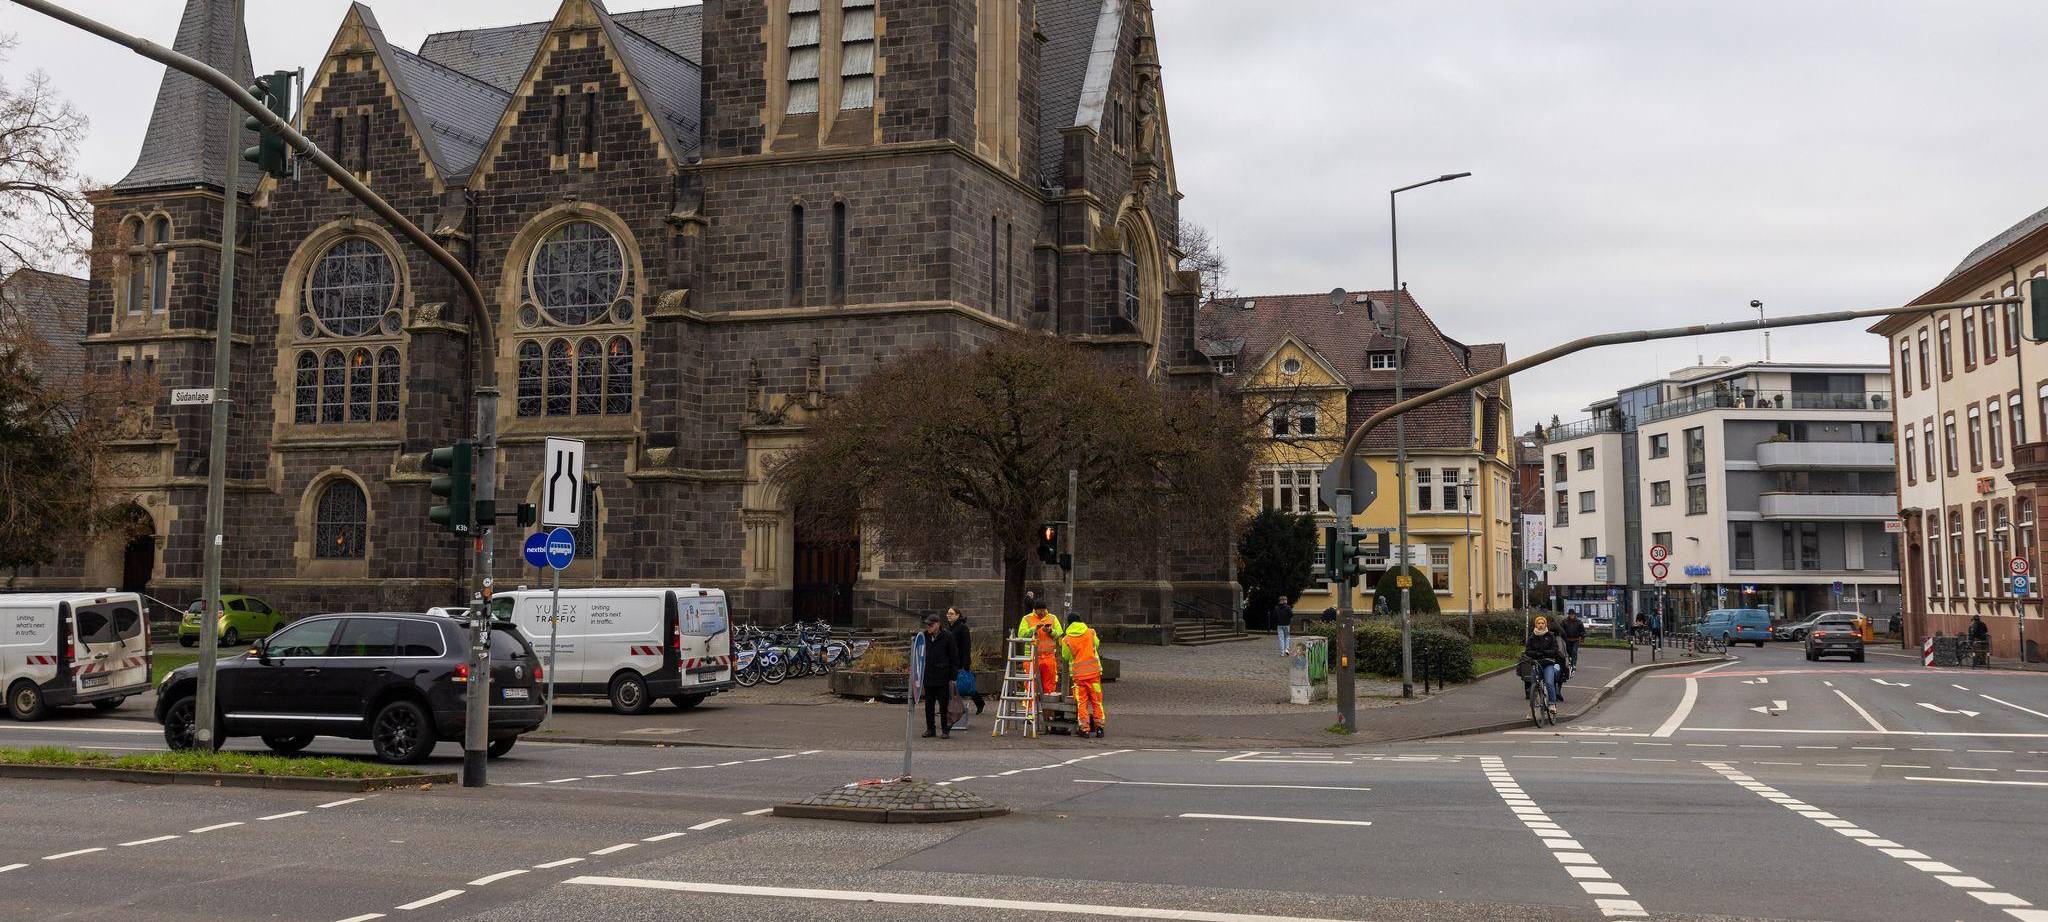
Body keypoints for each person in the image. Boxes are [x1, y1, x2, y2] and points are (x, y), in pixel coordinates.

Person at [918, 614, 959, 739]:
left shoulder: (947, 637)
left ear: (938, 624)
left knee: (943, 704)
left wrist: (953, 677)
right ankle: (930, 729)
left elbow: (953, 657)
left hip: (943, 676)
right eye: (927, 625)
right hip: (929, 675)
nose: (929, 627)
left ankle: (945, 730)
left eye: (931, 625)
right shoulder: (924, 636)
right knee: (928, 704)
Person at [1063, 620, 1105, 738]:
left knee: (1082, 702)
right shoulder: (1091, 633)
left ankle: (1084, 729)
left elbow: (1065, 656)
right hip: (1094, 675)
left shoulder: (1066, 639)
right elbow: (1096, 645)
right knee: (1097, 701)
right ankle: (1100, 728)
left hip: (1079, 677)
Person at [1017, 603, 1065, 701]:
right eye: (1040, 611)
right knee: (1030, 686)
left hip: (1049, 656)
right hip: (1032, 657)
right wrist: (1035, 628)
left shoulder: (1052, 618)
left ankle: (1048, 714)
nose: (1043, 613)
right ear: (1035, 610)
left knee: (1050, 686)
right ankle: (1030, 711)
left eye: (1044, 610)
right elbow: (1021, 635)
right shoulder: (1027, 618)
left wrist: (1050, 631)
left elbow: (1059, 634)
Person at [945, 607, 984, 715]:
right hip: (951, 661)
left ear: (958, 615)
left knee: (965, 684)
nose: (949, 615)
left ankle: (979, 702)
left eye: (951, 613)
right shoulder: (949, 628)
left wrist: (966, 663)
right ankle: (950, 707)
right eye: (948, 613)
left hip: (960, 661)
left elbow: (966, 647)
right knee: (953, 684)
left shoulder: (962, 628)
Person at [1523, 616, 1569, 706]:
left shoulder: (1550, 636)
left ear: (1545, 625)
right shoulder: (1532, 637)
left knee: (1549, 682)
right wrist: (1535, 654)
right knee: (1534, 685)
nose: (1540, 625)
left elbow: (1555, 651)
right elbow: (1527, 651)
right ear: (1536, 625)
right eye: (1538, 623)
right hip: (1536, 663)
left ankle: (1552, 704)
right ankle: (1534, 707)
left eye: (1542, 623)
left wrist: (1544, 652)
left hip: (1548, 663)